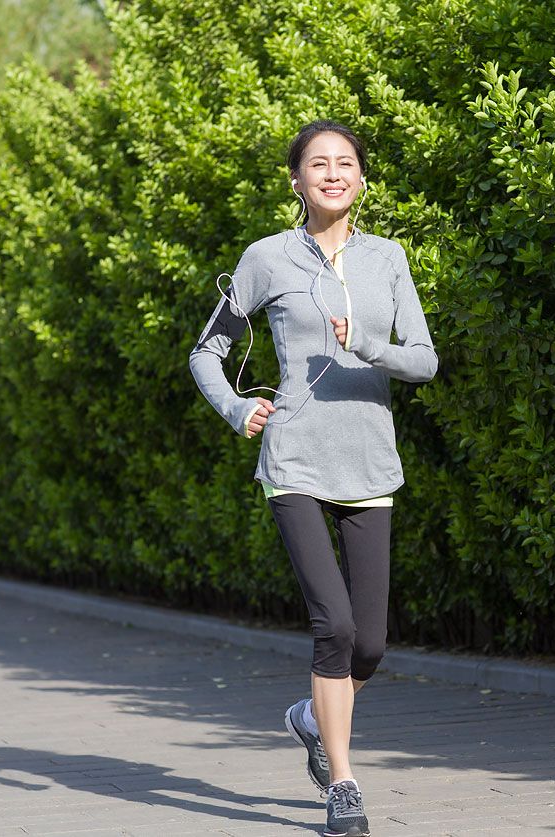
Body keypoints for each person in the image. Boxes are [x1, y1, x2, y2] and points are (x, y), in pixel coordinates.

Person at [187, 119, 438, 837]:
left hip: (368, 461)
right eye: (317, 164)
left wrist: (365, 342)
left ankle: (307, 716)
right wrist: (235, 406)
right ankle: (344, 782)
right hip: (293, 457)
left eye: (346, 163)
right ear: (295, 180)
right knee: (332, 626)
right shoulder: (265, 259)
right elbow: (208, 351)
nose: (333, 173)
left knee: (370, 645)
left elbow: (422, 360)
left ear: (361, 178)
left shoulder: (388, 258)